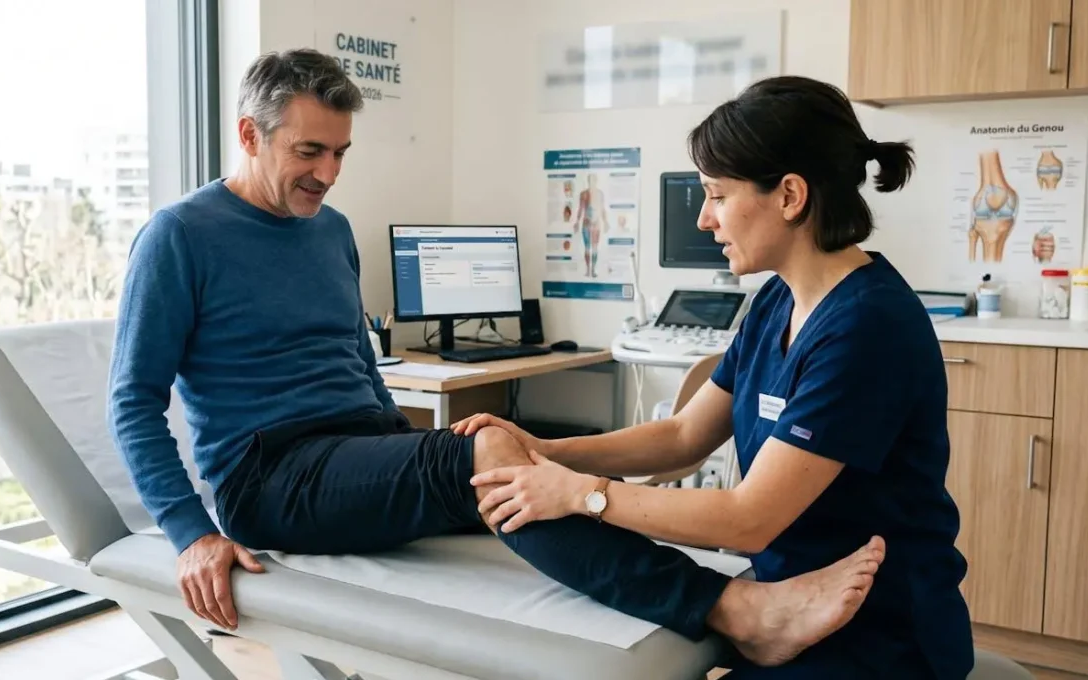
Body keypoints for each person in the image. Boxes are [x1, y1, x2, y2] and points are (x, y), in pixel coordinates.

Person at [106, 49, 885, 671]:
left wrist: (416, 453)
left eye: (341, 152)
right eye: (309, 151)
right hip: (267, 475)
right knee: (492, 459)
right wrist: (188, 531)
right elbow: (133, 401)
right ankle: (731, 610)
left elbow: (355, 363)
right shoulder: (179, 237)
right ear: (249, 134)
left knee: (499, 459)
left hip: (355, 443)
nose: (329, 172)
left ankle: (687, 588)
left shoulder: (329, 228)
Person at [454, 75, 974, 679]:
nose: (705, 219)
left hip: (877, 636)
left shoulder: (866, 326)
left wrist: (582, 493)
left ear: (789, 196)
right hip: (789, 601)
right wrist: (546, 451)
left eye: (716, 195)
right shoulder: (779, 300)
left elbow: (749, 517)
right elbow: (681, 436)